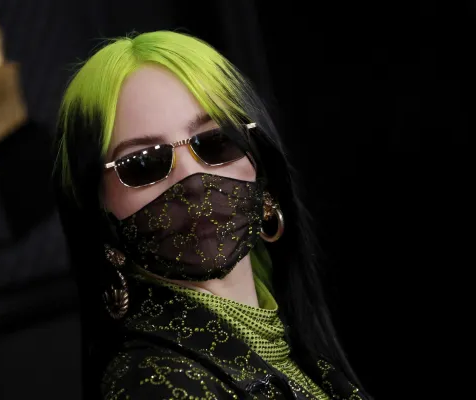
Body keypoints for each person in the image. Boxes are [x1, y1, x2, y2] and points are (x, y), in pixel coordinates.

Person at [54, 30, 370, 399]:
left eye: (216, 141)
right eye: (143, 163)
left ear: (260, 159)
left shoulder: (296, 346)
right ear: (98, 205)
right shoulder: (155, 384)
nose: (191, 178)